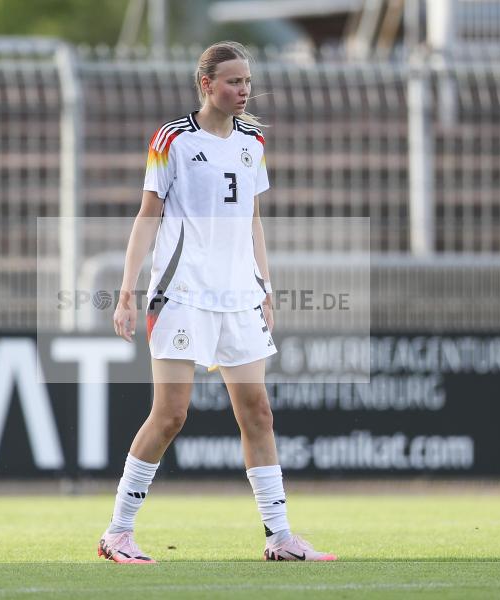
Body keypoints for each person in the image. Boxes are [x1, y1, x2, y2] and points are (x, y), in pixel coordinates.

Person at [97, 41, 336, 564]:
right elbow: (148, 216)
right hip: (181, 295)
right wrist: (127, 291)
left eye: (247, 81)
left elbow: (252, 219)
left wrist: (265, 287)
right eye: (232, 81)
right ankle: (117, 532)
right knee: (170, 415)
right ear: (206, 84)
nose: (243, 90)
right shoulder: (172, 140)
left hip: (240, 298)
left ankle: (280, 538)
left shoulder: (253, 140)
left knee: (259, 413)